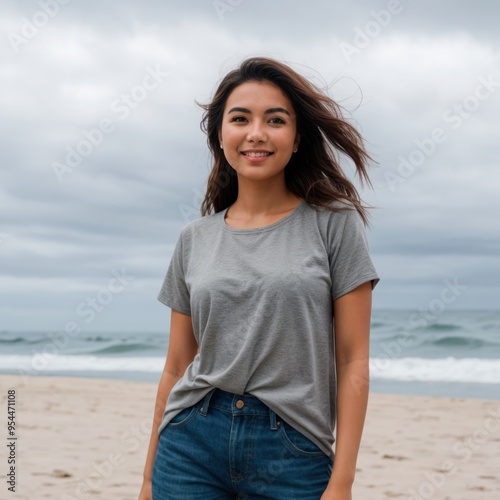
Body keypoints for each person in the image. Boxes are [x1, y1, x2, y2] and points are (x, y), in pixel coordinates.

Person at [139, 56, 379, 500]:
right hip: (190, 440)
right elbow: (176, 365)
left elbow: (352, 361)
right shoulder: (194, 238)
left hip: (293, 448)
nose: (256, 133)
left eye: (275, 120)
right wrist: (149, 477)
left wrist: (342, 481)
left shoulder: (334, 225)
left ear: (296, 136)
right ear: (220, 134)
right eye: (240, 118)